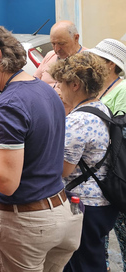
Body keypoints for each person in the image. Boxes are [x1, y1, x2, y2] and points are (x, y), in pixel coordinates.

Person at [0, 22, 82, 272]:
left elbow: (6, 181)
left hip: (28, 223)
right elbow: (41, 148)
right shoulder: (46, 90)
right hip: (63, 214)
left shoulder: (9, 104)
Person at [49, 51, 119, 271]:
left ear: (75, 84)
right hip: (102, 201)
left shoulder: (78, 120)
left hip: (84, 206)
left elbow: (62, 169)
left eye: (61, 84)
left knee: (82, 264)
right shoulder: (100, 109)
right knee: (92, 258)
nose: (58, 89)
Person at [87, 38, 126, 272]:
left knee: (122, 232)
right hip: (100, 174)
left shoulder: (122, 89)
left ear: (110, 64)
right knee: (99, 237)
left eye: (97, 59)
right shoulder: (101, 87)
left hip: (117, 172)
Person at [34, 20, 87, 113]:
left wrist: (66, 96)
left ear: (76, 38)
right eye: (53, 44)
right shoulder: (50, 55)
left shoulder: (88, 59)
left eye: (61, 44)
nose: (56, 49)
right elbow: (34, 82)